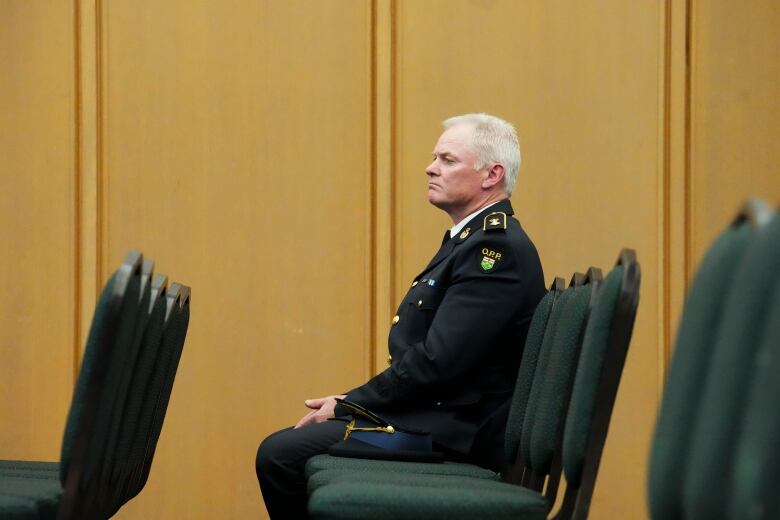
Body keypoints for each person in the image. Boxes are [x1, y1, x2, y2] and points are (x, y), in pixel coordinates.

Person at [256, 113, 545, 518]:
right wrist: (352, 403)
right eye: (434, 157)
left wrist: (349, 405)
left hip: (457, 432)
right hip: (438, 419)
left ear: (491, 175)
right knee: (287, 449)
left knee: (280, 455)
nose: (431, 167)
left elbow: (437, 363)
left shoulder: (494, 252)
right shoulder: (471, 241)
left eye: (448, 160)